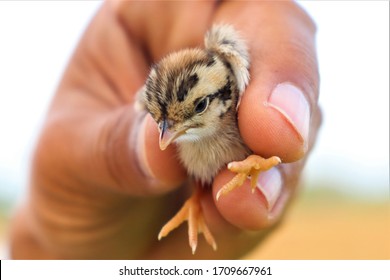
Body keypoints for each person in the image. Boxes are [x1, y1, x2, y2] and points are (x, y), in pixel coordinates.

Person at [9, 1, 321, 259]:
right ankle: (197, 199)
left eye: (198, 109)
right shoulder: (173, 133)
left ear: (224, 97)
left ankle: (246, 170)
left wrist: (261, 158)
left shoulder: (237, 97)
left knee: (264, 145)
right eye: (162, 122)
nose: (166, 136)